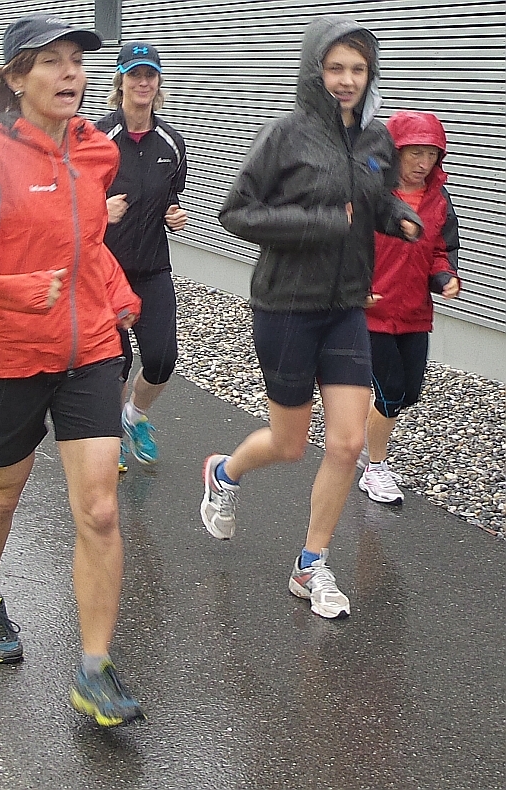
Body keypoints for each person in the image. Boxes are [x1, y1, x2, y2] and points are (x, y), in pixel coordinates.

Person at [0, 14, 146, 726]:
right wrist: (8, 292)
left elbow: (86, 242)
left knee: (100, 508)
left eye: (76, 61)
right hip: (11, 354)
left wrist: (114, 291)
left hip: (89, 354)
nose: (70, 72)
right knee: (3, 494)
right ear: (16, 78)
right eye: (50, 61)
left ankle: (95, 667)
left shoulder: (96, 151)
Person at [202, 16, 422, 619]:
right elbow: (237, 213)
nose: (347, 79)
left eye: (358, 68)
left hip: (346, 307)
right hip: (286, 306)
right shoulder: (287, 135)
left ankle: (310, 564)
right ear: (314, 70)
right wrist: (324, 224)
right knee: (290, 443)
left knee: (348, 443)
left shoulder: (376, 140)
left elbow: (372, 201)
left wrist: (396, 215)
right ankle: (223, 472)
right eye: (336, 68)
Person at [358, 111, 461, 504]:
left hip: (415, 312)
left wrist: (444, 277)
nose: (422, 164)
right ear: (395, 152)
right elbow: (347, 247)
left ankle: (369, 437)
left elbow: (441, 249)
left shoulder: (439, 198)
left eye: (431, 154)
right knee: (390, 392)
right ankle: (375, 467)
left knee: (408, 393)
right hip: (372, 311)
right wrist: (355, 289)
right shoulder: (372, 194)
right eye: (414, 153)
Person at [95, 42, 188, 472]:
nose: (143, 83)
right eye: (135, 75)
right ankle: (110, 430)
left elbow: (172, 195)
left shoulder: (172, 141)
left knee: (162, 357)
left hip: (152, 267)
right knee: (115, 360)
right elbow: (70, 204)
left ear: (158, 83)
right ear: (121, 82)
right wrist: (100, 211)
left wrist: (174, 215)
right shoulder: (97, 138)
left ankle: (135, 415)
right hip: (106, 271)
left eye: (150, 75)